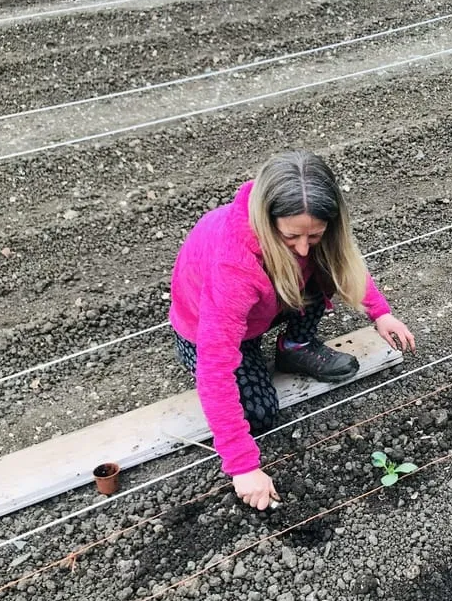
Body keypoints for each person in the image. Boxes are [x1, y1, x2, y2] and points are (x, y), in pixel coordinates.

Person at [169, 151, 415, 510]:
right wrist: (243, 467)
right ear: (267, 220)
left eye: (313, 236)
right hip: (203, 327)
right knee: (258, 414)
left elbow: (342, 262)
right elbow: (215, 366)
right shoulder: (233, 266)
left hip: (265, 304)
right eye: (291, 237)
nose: (302, 247)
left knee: (320, 265)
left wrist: (381, 313)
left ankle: (294, 345)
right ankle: (193, 350)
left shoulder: (308, 235)